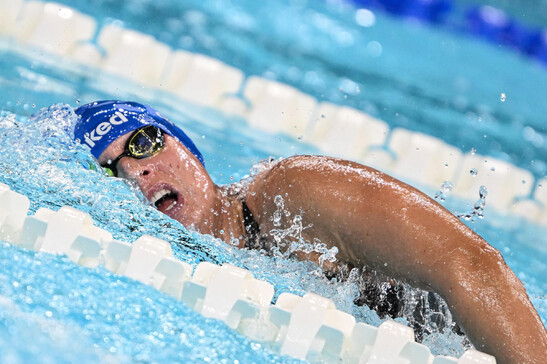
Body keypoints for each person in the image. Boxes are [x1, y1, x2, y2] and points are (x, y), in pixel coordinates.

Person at [74, 100, 547, 363]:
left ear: (188, 148)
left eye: (142, 142)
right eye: (109, 172)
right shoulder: (175, 271)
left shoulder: (292, 195)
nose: (136, 172)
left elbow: (470, 265)